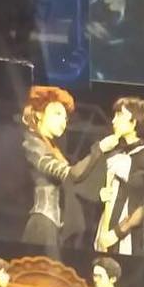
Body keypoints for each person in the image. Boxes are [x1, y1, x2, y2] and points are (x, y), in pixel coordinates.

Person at [20, 86, 116, 250]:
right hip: (42, 222)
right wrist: (99, 148)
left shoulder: (53, 148)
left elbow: (73, 182)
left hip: (55, 225)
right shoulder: (32, 144)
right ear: (39, 114)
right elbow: (70, 175)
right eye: (57, 113)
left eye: (65, 118)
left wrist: (100, 193)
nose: (63, 121)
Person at [93, 97, 144, 257]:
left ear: (134, 123)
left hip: (136, 241)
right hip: (106, 236)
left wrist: (117, 233)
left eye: (120, 115)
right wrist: (103, 194)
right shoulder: (115, 154)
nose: (114, 120)